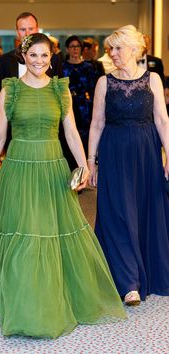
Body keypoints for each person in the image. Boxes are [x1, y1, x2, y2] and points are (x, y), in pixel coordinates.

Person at [0, 33, 126, 339]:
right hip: (18, 167)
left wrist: (82, 164)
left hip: (52, 168)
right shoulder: (10, 90)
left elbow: (70, 132)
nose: (39, 62)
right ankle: (23, 302)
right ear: (24, 57)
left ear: (51, 58)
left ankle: (49, 297)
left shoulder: (60, 90)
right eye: (33, 56)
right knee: (23, 233)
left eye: (45, 56)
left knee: (49, 232)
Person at [88, 25, 169, 306]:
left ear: (134, 49)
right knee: (118, 214)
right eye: (110, 48)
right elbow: (97, 123)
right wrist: (90, 161)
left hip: (146, 152)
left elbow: (162, 120)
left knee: (146, 210)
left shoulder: (154, 80)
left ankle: (146, 272)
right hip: (114, 152)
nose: (112, 53)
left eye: (117, 48)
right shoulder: (104, 83)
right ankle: (128, 283)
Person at [0, 12, 63, 93]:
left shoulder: (54, 59)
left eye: (31, 29)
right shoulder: (5, 60)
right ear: (17, 32)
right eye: (23, 29)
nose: (27, 34)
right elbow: (1, 93)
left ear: (37, 30)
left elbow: (60, 91)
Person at [63, 35, 98, 169]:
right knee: (68, 136)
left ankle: (82, 171)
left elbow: (93, 88)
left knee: (84, 138)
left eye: (77, 46)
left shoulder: (88, 67)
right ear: (67, 49)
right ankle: (69, 169)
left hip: (84, 107)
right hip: (67, 103)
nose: (75, 49)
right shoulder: (62, 67)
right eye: (72, 46)